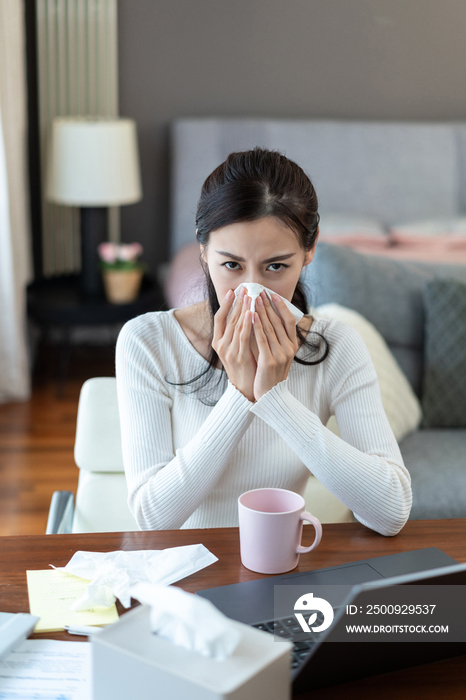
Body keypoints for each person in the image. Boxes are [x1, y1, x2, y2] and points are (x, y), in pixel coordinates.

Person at [115, 147, 412, 535]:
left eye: (275, 266)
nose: (251, 290)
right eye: (232, 265)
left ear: (309, 250)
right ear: (203, 252)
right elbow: (153, 518)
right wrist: (240, 395)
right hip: (183, 576)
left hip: (281, 569)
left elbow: (391, 513)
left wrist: (274, 399)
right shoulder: (148, 342)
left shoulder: (336, 346)